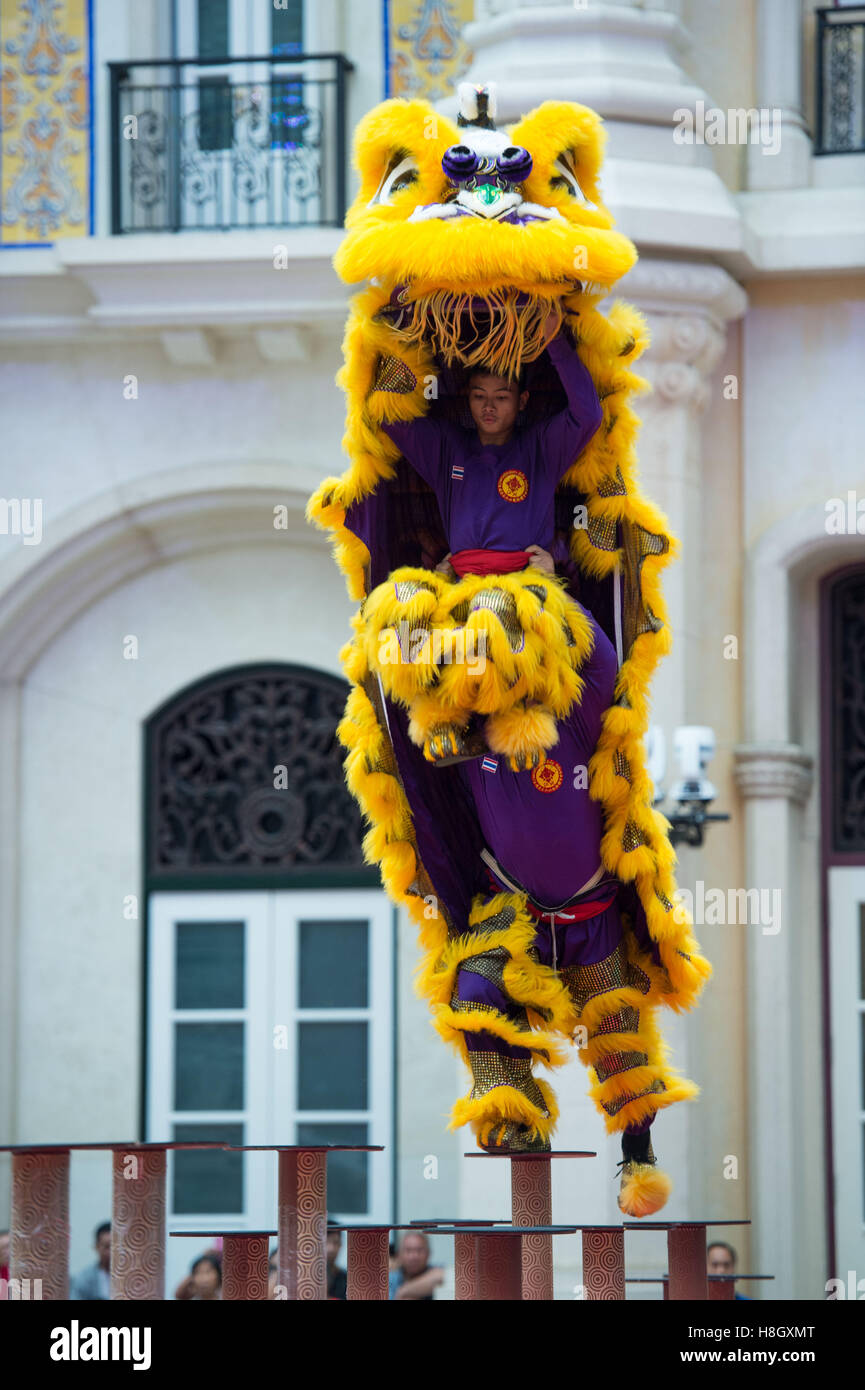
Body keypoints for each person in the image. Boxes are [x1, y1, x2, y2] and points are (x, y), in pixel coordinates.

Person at [377, 314, 604, 770]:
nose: (489, 407)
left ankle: (518, 725)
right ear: (468, 400)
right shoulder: (448, 449)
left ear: (521, 402)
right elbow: (389, 418)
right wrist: (394, 334)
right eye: (480, 396)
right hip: (458, 581)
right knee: (399, 607)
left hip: (524, 583)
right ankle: (442, 723)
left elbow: (588, 414)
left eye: (501, 397)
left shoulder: (540, 448)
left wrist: (553, 341)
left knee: (494, 617)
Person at [388, 1232, 444, 1301]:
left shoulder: (435, 1270)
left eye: (419, 1250)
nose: (414, 1256)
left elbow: (442, 1275)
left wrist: (403, 1291)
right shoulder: (389, 1279)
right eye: (408, 1250)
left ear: (429, 1253)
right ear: (399, 1254)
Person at [70, 1221, 111, 1299]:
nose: (111, 1252)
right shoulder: (84, 1277)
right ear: (96, 1247)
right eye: (107, 1247)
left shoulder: (129, 1278)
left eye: (116, 1247)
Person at [326, 1224, 348, 1300]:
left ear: (341, 1245)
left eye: (335, 1242)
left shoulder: (347, 1278)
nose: (331, 1248)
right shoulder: (303, 1279)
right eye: (326, 1242)